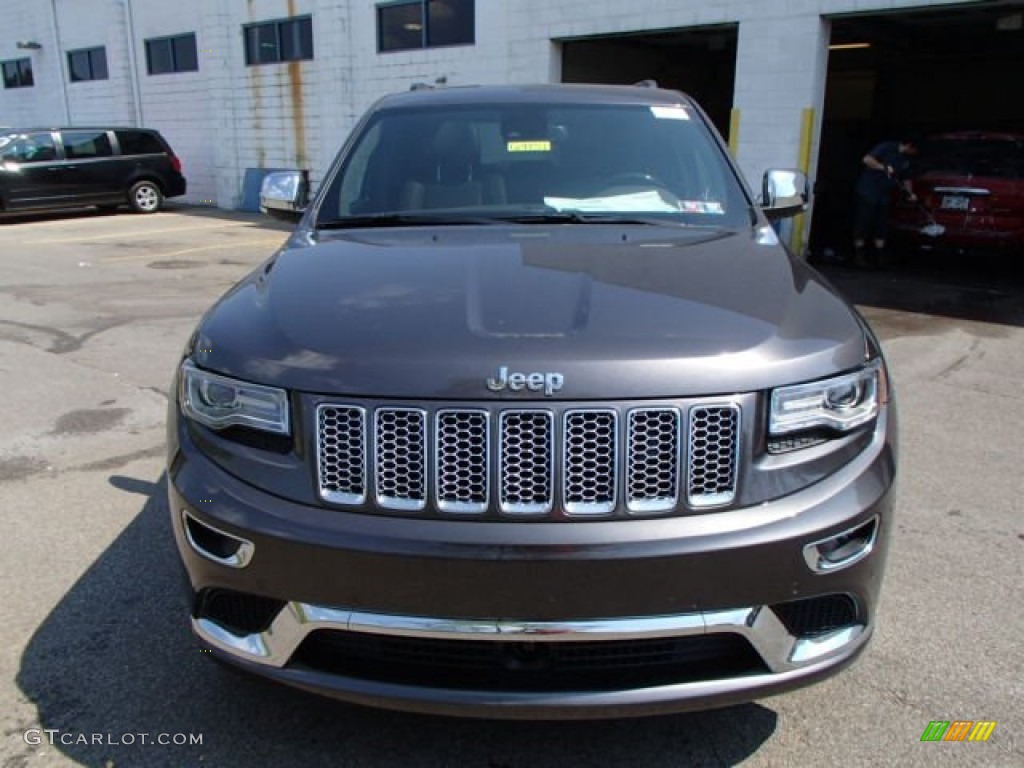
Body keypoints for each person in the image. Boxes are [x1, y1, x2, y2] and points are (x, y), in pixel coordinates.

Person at [852, 137, 918, 268]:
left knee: (881, 224)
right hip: (868, 191)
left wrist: (910, 193)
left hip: (884, 195)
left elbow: (906, 178)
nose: (915, 153)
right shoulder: (887, 147)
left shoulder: (906, 159)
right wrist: (883, 167)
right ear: (909, 145)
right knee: (864, 222)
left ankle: (880, 256)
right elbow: (867, 159)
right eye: (914, 149)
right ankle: (859, 254)